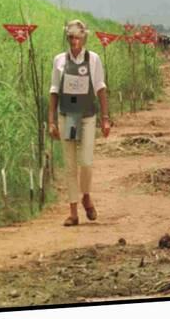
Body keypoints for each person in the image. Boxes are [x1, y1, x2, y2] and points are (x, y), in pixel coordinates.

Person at [48, 19, 111, 227]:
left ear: (84, 37)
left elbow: (100, 88)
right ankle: (73, 211)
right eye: (71, 37)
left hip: (87, 116)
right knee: (70, 165)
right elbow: (54, 91)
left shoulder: (93, 59)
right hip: (67, 116)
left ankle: (86, 196)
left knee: (86, 162)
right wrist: (51, 121)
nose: (74, 41)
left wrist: (105, 118)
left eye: (77, 37)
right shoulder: (59, 60)